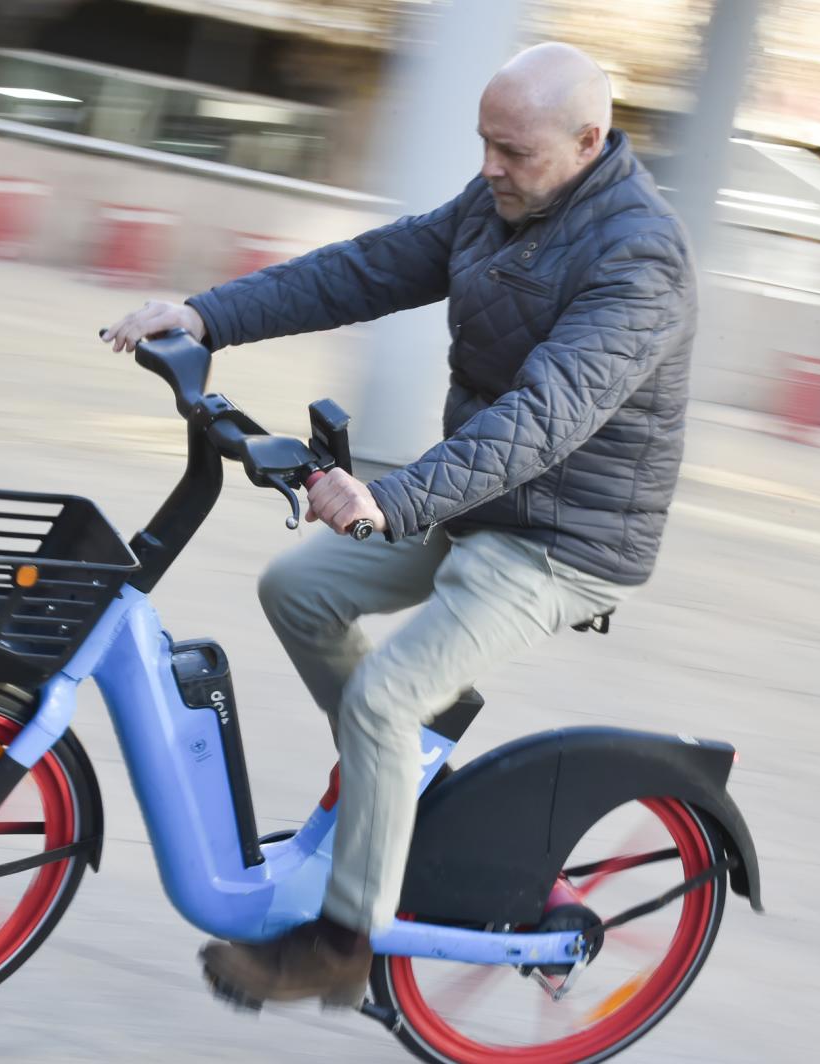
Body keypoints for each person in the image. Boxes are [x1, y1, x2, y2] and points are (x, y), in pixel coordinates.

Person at [100, 42, 696, 1006]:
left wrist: (396, 497)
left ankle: (344, 944)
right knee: (297, 590)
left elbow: (547, 413)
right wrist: (207, 318)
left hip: (565, 542)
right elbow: (368, 270)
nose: (490, 166)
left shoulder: (640, 259)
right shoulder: (500, 200)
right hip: (483, 501)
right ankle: (402, 785)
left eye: (514, 150)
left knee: (382, 699)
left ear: (589, 141)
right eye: (483, 145)